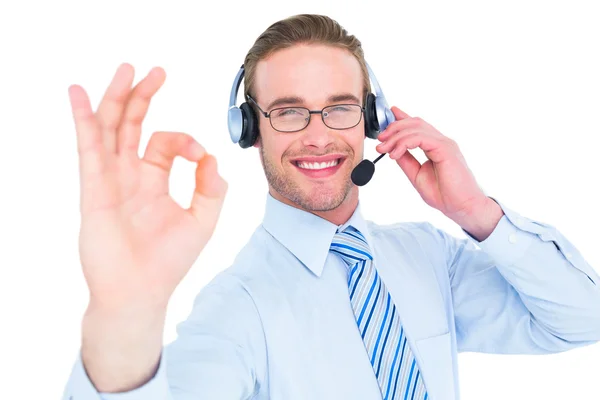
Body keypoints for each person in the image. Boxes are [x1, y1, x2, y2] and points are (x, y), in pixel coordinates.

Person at [62, 14, 600, 400]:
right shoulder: (237, 305)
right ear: (249, 130)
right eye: (289, 113)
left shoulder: (431, 257)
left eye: (339, 109)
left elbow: (582, 318)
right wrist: (123, 316)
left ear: (372, 119)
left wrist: (478, 213)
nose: (318, 137)